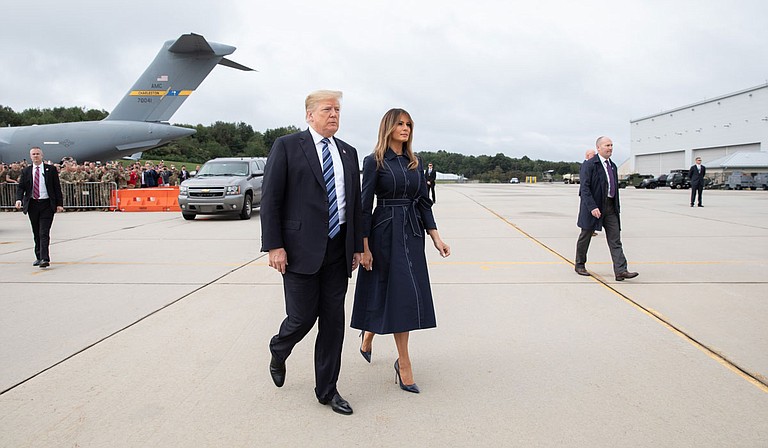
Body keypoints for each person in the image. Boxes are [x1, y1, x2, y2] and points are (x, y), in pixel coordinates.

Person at [261, 90, 363, 416]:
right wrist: (274, 245)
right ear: (309, 115)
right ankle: (279, 349)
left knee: (333, 323)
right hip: (299, 250)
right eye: (326, 109)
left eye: (337, 109)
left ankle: (327, 391)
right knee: (302, 318)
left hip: (338, 249)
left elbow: (355, 205)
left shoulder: (348, 152)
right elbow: (271, 200)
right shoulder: (288, 146)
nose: (333, 114)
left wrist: (358, 245)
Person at [352, 108, 451, 394]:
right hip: (384, 231)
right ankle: (404, 363)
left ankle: (371, 335)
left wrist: (436, 237)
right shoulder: (375, 161)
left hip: (411, 232)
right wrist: (364, 246)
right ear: (389, 127)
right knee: (389, 291)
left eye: (409, 124)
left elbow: (423, 202)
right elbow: (364, 206)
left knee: (404, 294)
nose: (405, 128)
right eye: (400, 124)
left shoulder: (414, 163)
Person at [575, 136, 638, 281]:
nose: (610, 148)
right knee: (585, 236)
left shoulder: (613, 166)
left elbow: (613, 188)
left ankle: (621, 270)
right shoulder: (590, 165)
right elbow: (584, 188)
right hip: (594, 207)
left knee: (615, 239)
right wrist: (592, 207)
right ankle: (580, 264)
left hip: (610, 208)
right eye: (607, 145)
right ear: (598, 148)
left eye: (611, 145)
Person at [15, 147, 64, 268]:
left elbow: (56, 187)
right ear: (30, 156)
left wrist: (59, 204)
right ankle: (38, 256)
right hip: (32, 204)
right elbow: (21, 187)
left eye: (37, 154)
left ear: (42, 156)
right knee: (36, 231)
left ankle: (44, 258)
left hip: (47, 204)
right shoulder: (26, 171)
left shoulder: (50, 169)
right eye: (33, 154)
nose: (35, 156)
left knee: (44, 232)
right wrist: (19, 199)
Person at [580, 149, 598, 237]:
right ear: (587, 156)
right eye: (593, 155)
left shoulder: (594, 165)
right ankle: (586, 229)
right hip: (586, 193)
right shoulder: (586, 165)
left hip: (592, 193)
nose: (595, 156)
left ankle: (591, 229)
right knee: (586, 212)